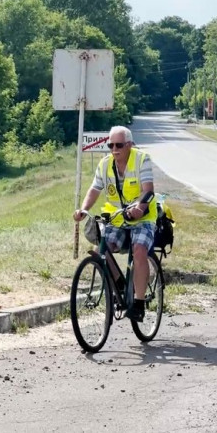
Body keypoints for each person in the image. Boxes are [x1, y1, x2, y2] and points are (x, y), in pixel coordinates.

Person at [73, 126, 156, 322]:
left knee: (139, 250)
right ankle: (119, 284)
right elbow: (94, 189)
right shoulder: (104, 164)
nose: (114, 149)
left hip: (141, 217)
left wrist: (140, 206)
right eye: (111, 145)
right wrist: (84, 209)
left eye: (119, 145)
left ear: (129, 145)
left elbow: (148, 190)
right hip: (117, 217)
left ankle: (138, 302)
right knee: (101, 250)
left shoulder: (141, 159)